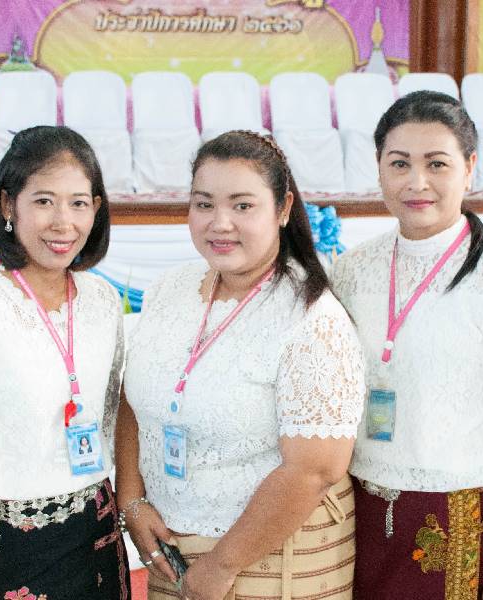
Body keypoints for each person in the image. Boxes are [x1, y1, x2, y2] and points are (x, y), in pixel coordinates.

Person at [331, 91, 483, 600]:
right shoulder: (352, 270)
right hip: (361, 513)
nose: (416, 182)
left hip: (460, 520)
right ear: (379, 168)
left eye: (436, 163)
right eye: (399, 163)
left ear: (469, 168)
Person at [116, 130, 365, 599]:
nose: (220, 223)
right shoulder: (171, 289)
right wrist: (131, 499)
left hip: (276, 557)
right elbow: (136, 398)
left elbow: (315, 470)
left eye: (243, 205)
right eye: (204, 204)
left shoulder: (312, 318)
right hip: (173, 549)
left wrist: (222, 564)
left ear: (283, 209)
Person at [0, 126, 130, 600]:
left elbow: (110, 422)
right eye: (44, 201)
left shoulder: (102, 300)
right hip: (1, 552)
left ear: (97, 209)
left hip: (95, 540)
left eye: (79, 203)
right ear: (7, 205)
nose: (63, 222)